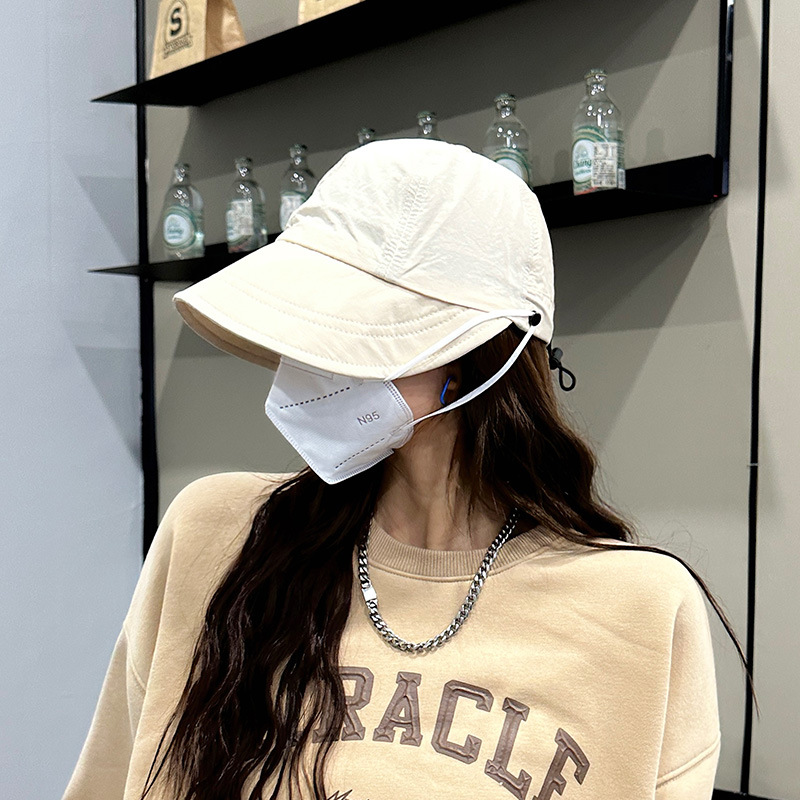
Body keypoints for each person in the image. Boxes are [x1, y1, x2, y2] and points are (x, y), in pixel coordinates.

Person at [63, 138, 752, 800]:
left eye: (346, 323)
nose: (309, 355)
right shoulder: (215, 537)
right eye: (303, 319)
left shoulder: (637, 610)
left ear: (484, 353)